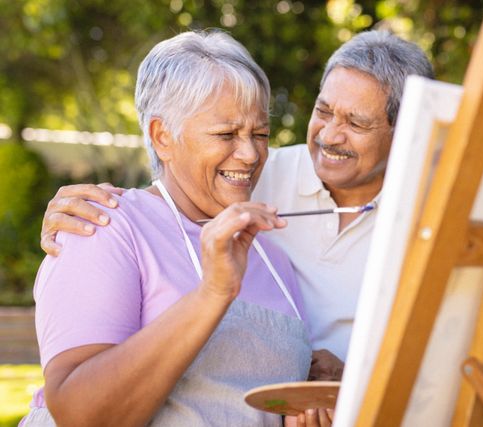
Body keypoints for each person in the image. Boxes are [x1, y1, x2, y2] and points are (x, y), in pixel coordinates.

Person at [39, 30, 434, 379]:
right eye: (324, 111)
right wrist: (93, 216)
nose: (330, 135)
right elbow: (179, 188)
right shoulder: (250, 177)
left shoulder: (431, 220)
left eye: (357, 123)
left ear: (405, 133)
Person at [22, 30, 312, 426]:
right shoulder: (105, 225)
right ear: (163, 137)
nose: (250, 154)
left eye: (260, 134)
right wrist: (213, 293)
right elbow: (79, 413)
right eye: (226, 134)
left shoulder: (272, 259)